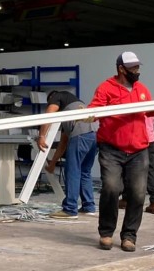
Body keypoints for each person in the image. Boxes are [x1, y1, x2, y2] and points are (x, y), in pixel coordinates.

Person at [88, 52, 154, 252]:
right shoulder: (106, 88)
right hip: (112, 148)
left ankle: (129, 236)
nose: (137, 71)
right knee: (111, 188)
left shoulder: (141, 89)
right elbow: (95, 109)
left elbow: (150, 111)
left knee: (137, 193)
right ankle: (106, 233)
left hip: (138, 149)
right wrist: (88, 115)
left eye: (138, 67)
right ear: (121, 69)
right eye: (133, 68)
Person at [39, 90, 98, 219]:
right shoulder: (73, 108)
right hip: (93, 135)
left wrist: (42, 136)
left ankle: (70, 209)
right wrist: (52, 164)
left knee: (72, 170)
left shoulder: (57, 96)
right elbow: (63, 143)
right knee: (84, 171)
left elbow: (48, 115)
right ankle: (89, 206)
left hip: (80, 135)